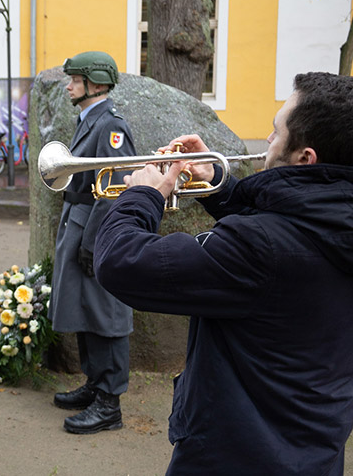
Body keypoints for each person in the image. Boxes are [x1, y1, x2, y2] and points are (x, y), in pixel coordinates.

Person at [95, 72, 353, 472]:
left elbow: (120, 261)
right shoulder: (332, 225)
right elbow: (295, 227)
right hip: (312, 449)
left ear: (306, 158)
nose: (267, 141)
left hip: (233, 453)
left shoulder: (260, 247)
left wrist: (141, 195)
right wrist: (219, 184)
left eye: (276, 131)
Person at [49, 51, 137, 434]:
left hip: (95, 225)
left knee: (106, 313)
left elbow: (115, 185)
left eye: (75, 80)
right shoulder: (90, 120)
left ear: (95, 84)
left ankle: (110, 403)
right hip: (79, 221)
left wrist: (94, 240)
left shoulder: (111, 127)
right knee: (86, 309)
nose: (69, 86)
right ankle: (94, 384)